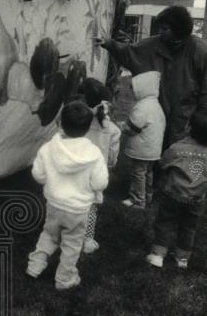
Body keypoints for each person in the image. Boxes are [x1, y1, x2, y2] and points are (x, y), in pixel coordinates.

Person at [96, 5, 207, 148]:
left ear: (179, 29)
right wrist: (109, 44)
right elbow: (131, 53)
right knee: (155, 143)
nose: (160, 32)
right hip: (159, 107)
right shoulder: (153, 44)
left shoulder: (201, 51)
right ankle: (155, 168)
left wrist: (203, 117)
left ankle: (181, 169)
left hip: (185, 111)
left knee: (181, 147)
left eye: (165, 29)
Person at [27, 101, 109, 291]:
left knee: (49, 234)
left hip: (54, 204)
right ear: (88, 128)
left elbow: (38, 175)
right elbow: (99, 183)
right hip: (78, 209)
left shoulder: (48, 148)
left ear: (61, 123)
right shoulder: (94, 154)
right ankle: (65, 279)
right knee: (72, 244)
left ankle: (35, 266)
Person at [145, 109, 207, 270]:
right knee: (188, 227)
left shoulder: (177, 148)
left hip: (173, 194)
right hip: (196, 200)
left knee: (165, 222)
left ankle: (158, 255)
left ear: (189, 128)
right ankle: (182, 258)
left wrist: (160, 179)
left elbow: (162, 164)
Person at [78, 78, 122, 253]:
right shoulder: (112, 129)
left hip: (73, 171)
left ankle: (62, 234)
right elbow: (112, 159)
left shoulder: (76, 121)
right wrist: (110, 165)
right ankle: (87, 240)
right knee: (91, 208)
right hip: (96, 174)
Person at [118, 70, 165, 209]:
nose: (133, 93)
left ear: (144, 89)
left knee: (138, 173)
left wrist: (121, 126)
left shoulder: (143, 106)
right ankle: (147, 195)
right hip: (153, 149)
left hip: (142, 149)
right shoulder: (155, 104)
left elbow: (132, 128)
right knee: (148, 173)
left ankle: (137, 200)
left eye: (135, 90)